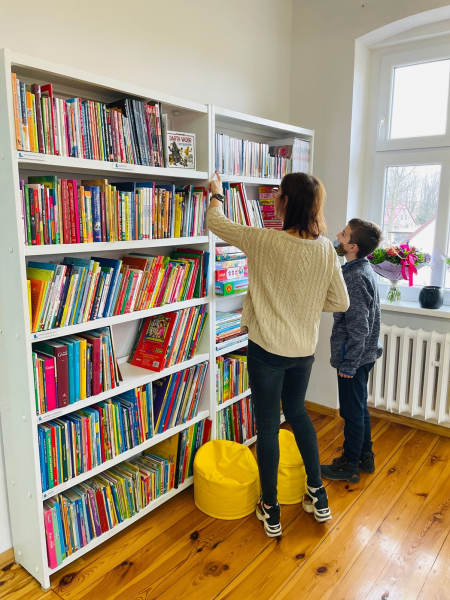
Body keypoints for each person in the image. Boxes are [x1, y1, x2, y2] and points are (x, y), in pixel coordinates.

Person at [207, 171, 349, 538]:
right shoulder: (325, 250)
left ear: (286, 202)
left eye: (277, 194)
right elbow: (340, 301)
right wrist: (303, 304)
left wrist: (218, 193)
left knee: (268, 427)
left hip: (267, 349)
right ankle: (317, 493)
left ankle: (270, 509)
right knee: (299, 413)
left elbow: (215, 222)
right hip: (303, 350)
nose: (272, 199)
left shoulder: (265, 241)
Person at [321, 218, 383, 483]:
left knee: (350, 411)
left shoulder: (355, 278)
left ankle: (349, 464)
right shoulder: (362, 268)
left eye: (343, 235)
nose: (338, 235)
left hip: (354, 357)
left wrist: (349, 364)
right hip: (362, 355)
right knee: (359, 407)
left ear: (352, 247)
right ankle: (365, 456)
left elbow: (360, 326)